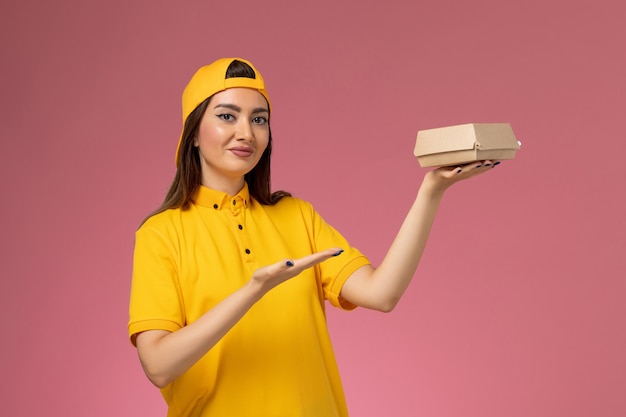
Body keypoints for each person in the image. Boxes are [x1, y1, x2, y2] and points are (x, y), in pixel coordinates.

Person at [128, 57, 499, 417]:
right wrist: (253, 290)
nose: (246, 132)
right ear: (192, 133)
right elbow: (159, 365)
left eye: (259, 119)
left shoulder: (297, 217)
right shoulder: (162, 234)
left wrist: (431, 191)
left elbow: (382, 293)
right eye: (227, 116)